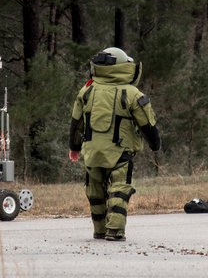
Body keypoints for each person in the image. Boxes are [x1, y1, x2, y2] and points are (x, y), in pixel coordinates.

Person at [68, 47, 161, 241]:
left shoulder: (86, 91)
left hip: (92, 152)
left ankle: (99, 230)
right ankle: (115, 231)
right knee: (119, 188)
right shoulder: (132, 93)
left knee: (95, 191)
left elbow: (76, 123)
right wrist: (155, 145)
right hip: (121, 153)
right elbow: (148, 125)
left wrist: (74, 147)